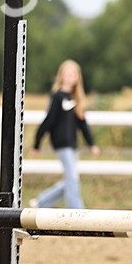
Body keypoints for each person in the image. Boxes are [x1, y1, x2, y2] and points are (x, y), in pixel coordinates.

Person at [30, 60, 98, 209]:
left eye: (73, 74)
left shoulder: (76, 99)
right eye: (68, 74)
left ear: (77, 77)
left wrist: (91, 143)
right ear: (61, 75)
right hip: (61, 143)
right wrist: (37, 143)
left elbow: (82, 124)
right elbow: (49, 121)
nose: (70, 76)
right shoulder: (57, 96)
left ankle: (41, 202)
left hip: (73, 144)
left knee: (71, 180)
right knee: (72, 179)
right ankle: (78, 214)